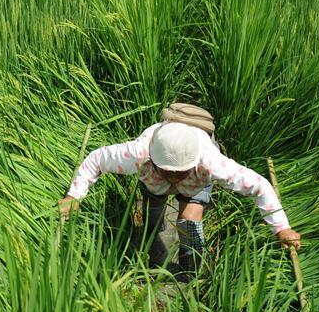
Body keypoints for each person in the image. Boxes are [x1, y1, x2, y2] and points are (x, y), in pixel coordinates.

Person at [58, 120, 301, 279]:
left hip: (195, 181)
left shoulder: (211, 162)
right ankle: (152, 232)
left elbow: (259, 186)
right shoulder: (137, 154)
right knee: (153, 218)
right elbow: (96, 159)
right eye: (168, 171)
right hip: (154, 180)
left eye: (179, 172)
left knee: (189, 219)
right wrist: (74, 195)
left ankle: (189, 267)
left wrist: (281, 228)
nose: (174, 177)